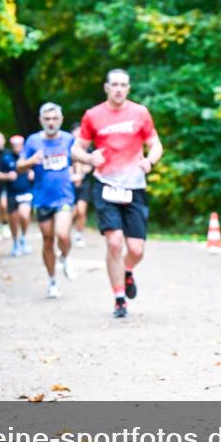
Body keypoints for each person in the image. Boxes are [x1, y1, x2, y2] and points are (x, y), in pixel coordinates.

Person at [78, 69, 163, 318]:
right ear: (106, 87)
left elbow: (156, 144)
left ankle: (127, 270)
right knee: (114, 242)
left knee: (136, 250)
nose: (118, 89)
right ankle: (119, 299)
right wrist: (88, 157)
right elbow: (76, 148)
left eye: (123, 85)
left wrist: (150, 161)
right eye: (114, 84)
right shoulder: (92, 115)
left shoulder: (140, 113)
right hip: (106, 184)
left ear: (128, 88)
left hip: (134, 186)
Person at [16, 103, 97, 298]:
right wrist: (31, 161)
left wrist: (88, 165)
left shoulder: (69, 140)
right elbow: (19, 167)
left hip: (64, 197)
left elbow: (81, 158)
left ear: (60, 120)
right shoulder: (33, 141)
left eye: (54, 119)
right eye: (47, 119)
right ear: (41, 120)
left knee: (62, 234)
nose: (51, 122)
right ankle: (52, 281)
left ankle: (66, 257)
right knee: (47, 240)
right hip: (42, 199)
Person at [0, 135, 35, 257]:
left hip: (26, 192)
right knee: (13, 220)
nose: (17, 147)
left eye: (19, 145)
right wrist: (7, 176)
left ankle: (24, 237)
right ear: (12, 146)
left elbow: (39, 170)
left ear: (23, 145)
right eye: (15, 145)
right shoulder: (6, 158)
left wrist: (33, 174)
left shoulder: (28, 157)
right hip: (12, 193)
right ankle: (15, 243)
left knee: (24, 215)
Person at [69, 123, 93, 249]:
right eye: (76, 131)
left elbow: (90, 166)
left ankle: (78, 235)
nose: (78, 134)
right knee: (72, 212)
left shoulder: (88, 148)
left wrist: (81, 174)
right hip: (69, 184)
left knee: (81, 210)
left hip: (84, 183)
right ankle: (64, 232)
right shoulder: (66, 148)